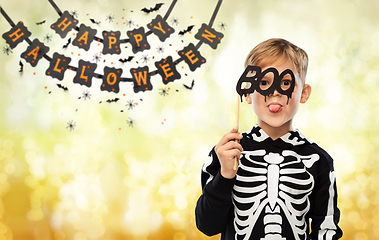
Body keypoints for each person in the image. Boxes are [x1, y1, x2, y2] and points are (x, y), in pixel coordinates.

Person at [195, 38, 343, 240]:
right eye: (263, 82)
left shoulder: (319, 161)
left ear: (304, 93)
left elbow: (326, 230)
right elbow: (207, 226)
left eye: (286, 83)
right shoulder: (225, 154)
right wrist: (225, 176)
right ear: (247, 92)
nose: (275, 91)